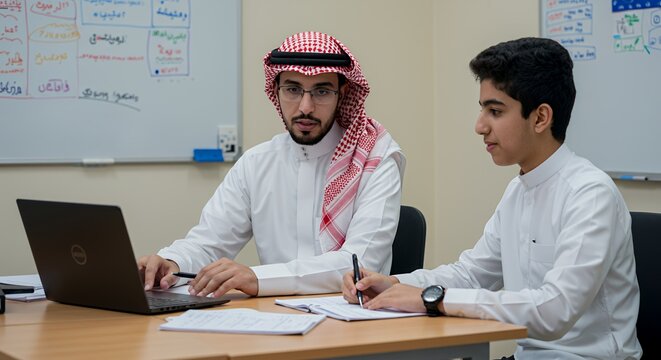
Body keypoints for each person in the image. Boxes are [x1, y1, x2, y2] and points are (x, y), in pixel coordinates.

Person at [342, 37, 641, 359]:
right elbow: (472, 274)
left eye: (495, 111)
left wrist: (433, 299)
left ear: (540, 118)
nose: (479, 126)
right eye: (482, 109)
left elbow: (555, 311)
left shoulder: (590, 194)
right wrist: (394, 284)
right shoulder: (519, 189)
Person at [138, 31, 405, 298]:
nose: (305, 107)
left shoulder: (377, 159)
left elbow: (358, 264)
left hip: (355, 321)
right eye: (292, 89)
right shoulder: (257, 163)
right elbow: (208, 243)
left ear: (343, 93)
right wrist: (172, 262)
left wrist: (257, 278)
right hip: (273, 320)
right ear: (275, 91)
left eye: (321, 91)